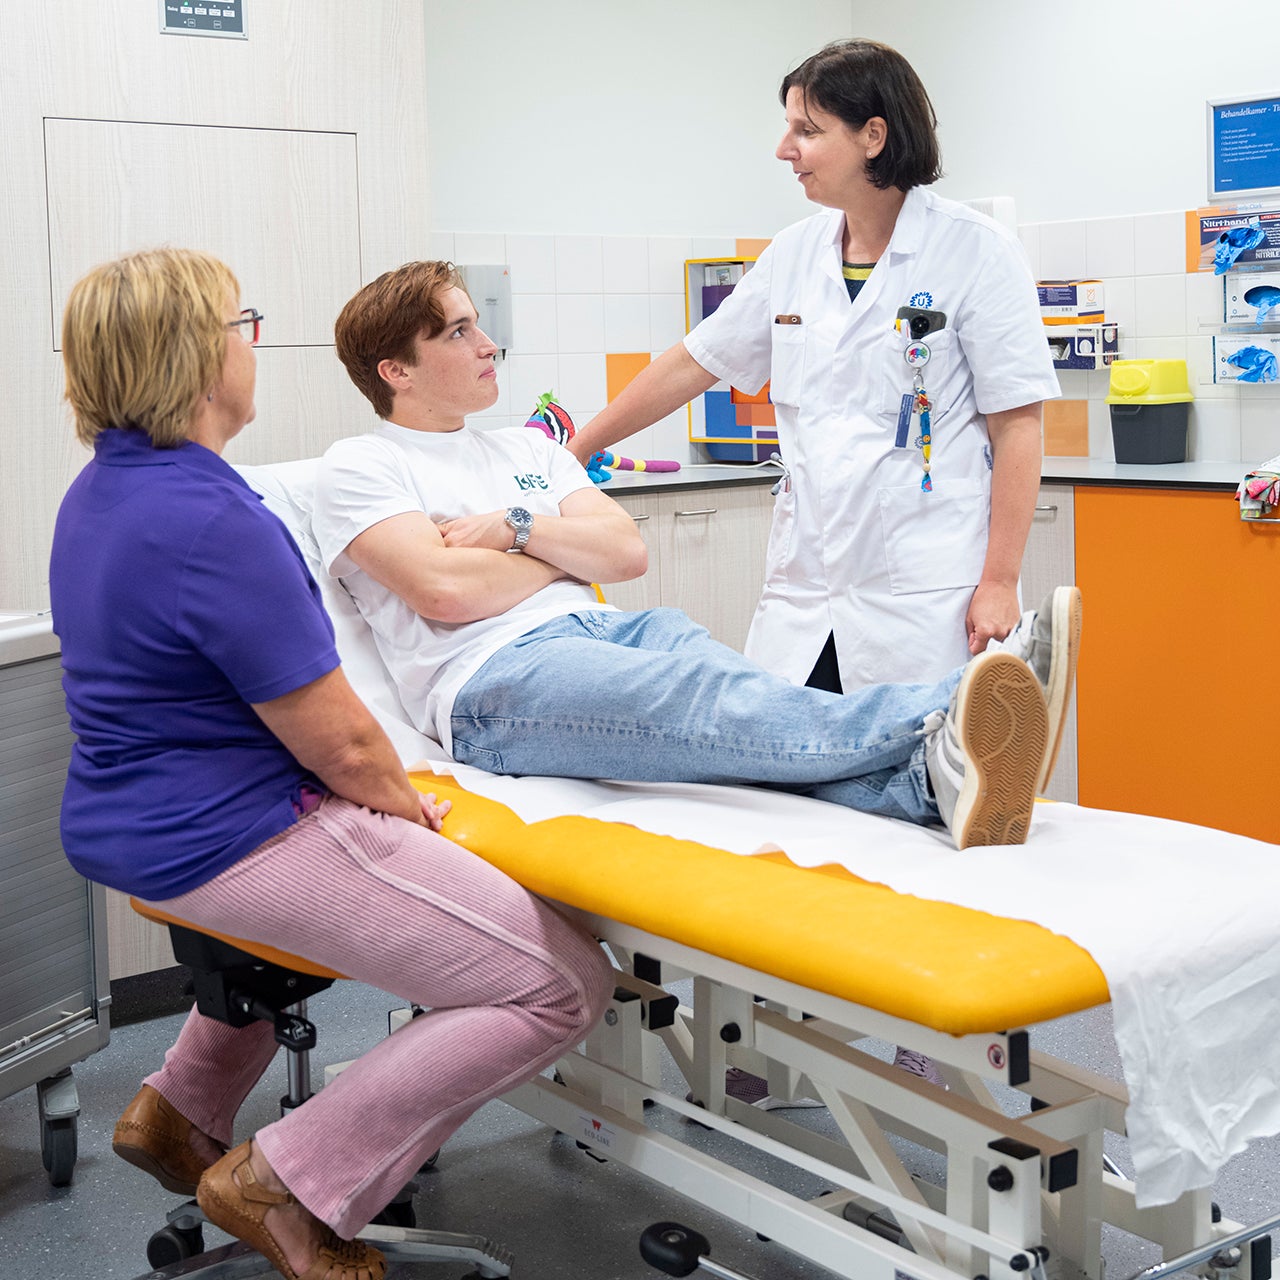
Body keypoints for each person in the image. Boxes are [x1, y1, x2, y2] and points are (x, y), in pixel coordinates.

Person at [49, 248, 614, 1280]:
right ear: (194, 355)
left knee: (354, 928)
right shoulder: (214, 515)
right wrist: (411, 813)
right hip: (231, 833)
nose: (250, 340)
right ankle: (291, 1179)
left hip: (127, 827)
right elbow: (344, 743)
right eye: (238, 322)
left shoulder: (100, 492)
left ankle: (181, 1104)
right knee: (560, 981)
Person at [312, 261, 1080, 860]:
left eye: (478, 325)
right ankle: (958, 702)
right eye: (456, 333)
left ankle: (921, 784)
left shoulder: (526, 451)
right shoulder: (358, 467)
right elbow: (444, 592)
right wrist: (554, 542)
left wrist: (513, 529)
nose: (487, 345)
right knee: (701, 699)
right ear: (396, 371)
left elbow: (624, 550)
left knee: (728, 700)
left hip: (608, 633)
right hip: (491, 682)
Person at [568, 37, 1060, 706]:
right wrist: (578, 450)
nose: (784, 148)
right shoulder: (794, 254)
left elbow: (1019, 426)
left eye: (807, 129)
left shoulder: (974, 251)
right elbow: (694, 363)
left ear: (873, 137)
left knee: (920, 782)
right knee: (789, 780)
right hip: (806, 591)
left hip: (923, 593)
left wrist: (999, 580)